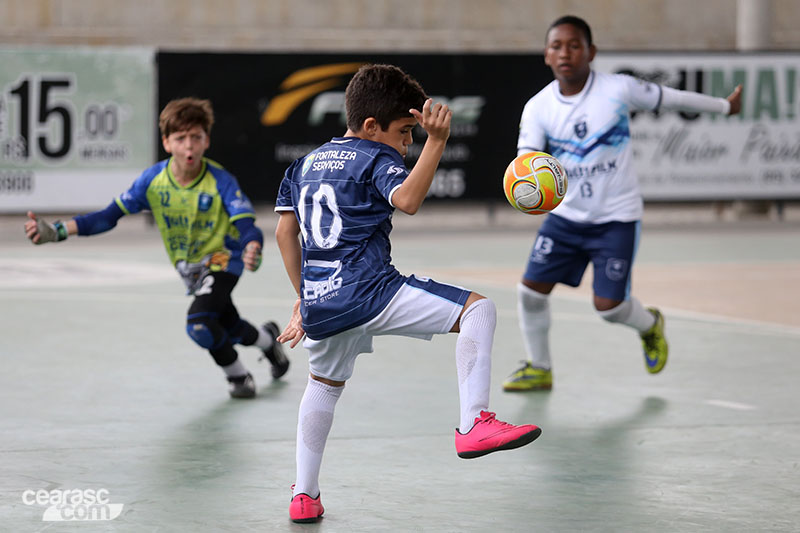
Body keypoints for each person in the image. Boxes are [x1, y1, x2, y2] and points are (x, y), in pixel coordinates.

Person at [274, 64, 542, 523]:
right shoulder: (375, 157)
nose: (407, 143)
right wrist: (437, 141)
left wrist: (305, 295)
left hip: (322, 304)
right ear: (371, 126)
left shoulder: (304, 164)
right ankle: (474, 423)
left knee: (322, 387)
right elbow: (408, 200)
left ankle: (305, 494)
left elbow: (285, 232)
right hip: (372, 292)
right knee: (479, 311)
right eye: (404, 132)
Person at [503, 15, 743, 392]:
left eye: (574, 45)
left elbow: (671, 98)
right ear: (546, 55)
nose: (565, 53)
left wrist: (724, 106)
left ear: (591, 52)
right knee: (530, 292)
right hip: (566, 218)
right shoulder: (538, 107)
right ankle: (540, 367)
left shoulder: (618, 89)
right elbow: (527, 161)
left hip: (616, 217)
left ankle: (650, 325)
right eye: (556, 46)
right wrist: (525, 186)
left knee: (610, 308)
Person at [24, 97, 289, 399]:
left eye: (196, 137)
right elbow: (108, 216)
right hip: (191, 270)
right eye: (181, 138)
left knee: (200, 323)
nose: (189, 146)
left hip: (224, 260)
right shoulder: (153, 181)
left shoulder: (220, 180)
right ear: (166, 143)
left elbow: (246, 225)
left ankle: (239, 377)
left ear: (206, 141)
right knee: (228, 324)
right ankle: (268, 341)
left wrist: (252, 246)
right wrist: (58, 231)